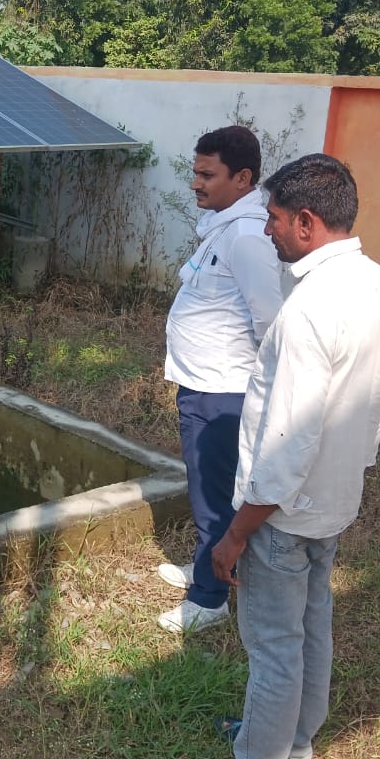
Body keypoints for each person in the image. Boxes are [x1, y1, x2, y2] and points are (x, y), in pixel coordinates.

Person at [164, 153, 380, 759]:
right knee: (310, 626)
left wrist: (235, 535)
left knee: (274, 649)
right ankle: (292, 746)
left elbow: (286, 444)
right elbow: (371, 407)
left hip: (282, 513)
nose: (266, 229)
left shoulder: (307, 313)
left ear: (305, 222)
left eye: (272, 218)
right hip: (334, 499)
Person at [157, 126, 284, 634]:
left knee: (214, 494)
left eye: (207, 175)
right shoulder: (226, 228)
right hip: (202, 383)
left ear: (243, 178)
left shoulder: (248, 239)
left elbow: (270, 323)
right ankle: (206, 565)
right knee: (206, 486)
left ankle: (209, 601)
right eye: (196, 172)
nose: (196, 183)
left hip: (222, 390)